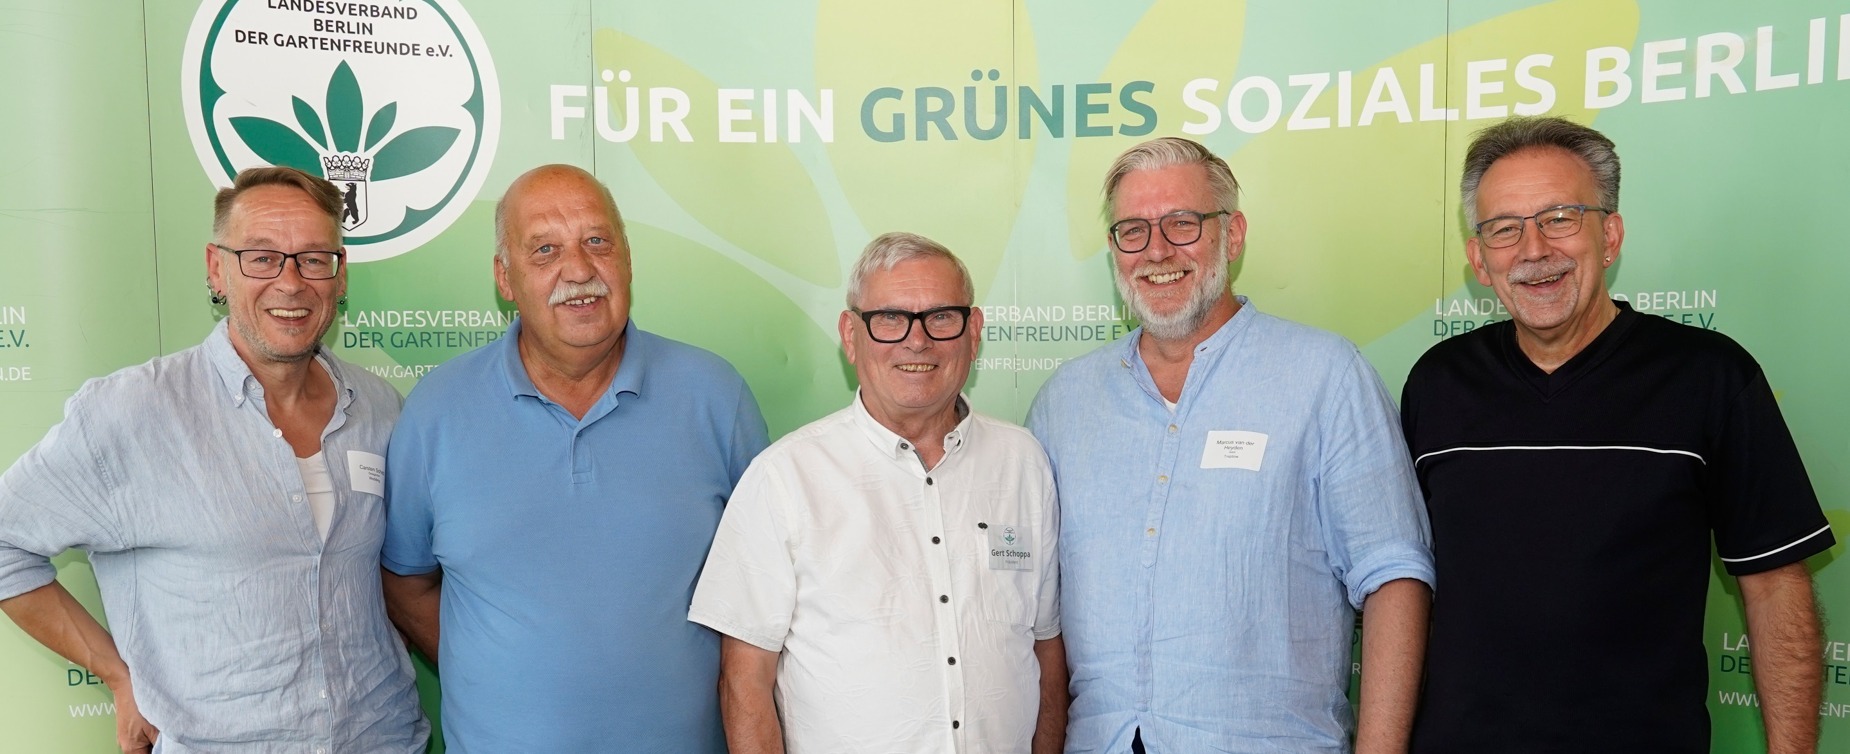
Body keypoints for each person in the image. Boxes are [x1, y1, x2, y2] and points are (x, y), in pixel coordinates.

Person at [1401, 116, 1833, 753]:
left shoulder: (1710, 376)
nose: (1533, 250)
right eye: (1504, 228)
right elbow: (1403, 585)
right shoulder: (1437, 384)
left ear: (1610, 236)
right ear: (1479, 260)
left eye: (1560, 218)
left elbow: (1775, 585)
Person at [1027, 137, 1434, 753]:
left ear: (1232, 235)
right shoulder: (1064, 403)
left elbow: (1394, 575)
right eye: (1133, 230)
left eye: (1182, 223)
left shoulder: (1324, 376)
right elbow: (1040, 613)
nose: (1156, 250)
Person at [0, 166, 427, 753]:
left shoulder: (380, 407)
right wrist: (117, 674)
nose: (290, 282)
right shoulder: (131, 413)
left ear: (340, 274)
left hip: (383, 738)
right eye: (262, 257)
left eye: (313, 258)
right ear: (216, 269)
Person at [380, 164, 769, 752]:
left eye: (597, 241)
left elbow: (764, 592)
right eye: (545, 249)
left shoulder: (716, 397)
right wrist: (490, 672)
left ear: (627, 259)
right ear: (504, 277)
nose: (580, 270)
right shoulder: (436, 409)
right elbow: (405, 582)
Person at [691, 232, 1067, 753]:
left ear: (974, 332)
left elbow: (1046, 649)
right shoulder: (784, 478)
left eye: (941, 317)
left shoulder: (1024, 462)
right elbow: (744, 680)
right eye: (890, 318)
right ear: (851, 335)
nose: (918, 341)